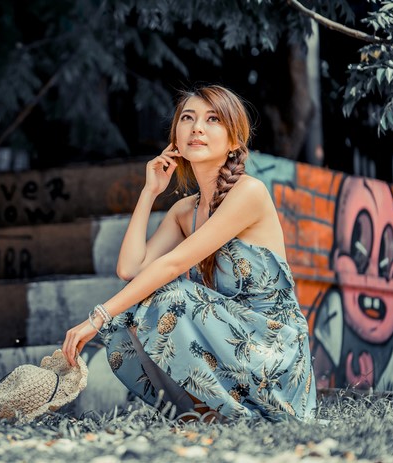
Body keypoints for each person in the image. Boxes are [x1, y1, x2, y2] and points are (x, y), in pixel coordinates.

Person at [62, 84, 317, 422]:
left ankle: (224, 410)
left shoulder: (249, 193)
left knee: (169, 295)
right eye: (188, 118)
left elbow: (174, 264)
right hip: (229, 351)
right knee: (127, 318)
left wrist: (96, 317)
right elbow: (130, 269)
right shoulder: (185, 211)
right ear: (175, 139)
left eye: (213, 119)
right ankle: (202, 413)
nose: (197, 127)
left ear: (234, 141)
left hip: (273, 355)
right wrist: (150, 191)